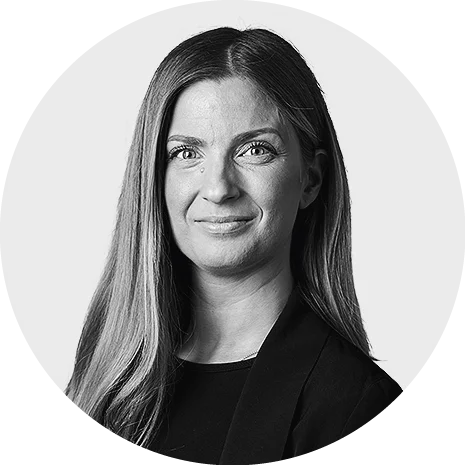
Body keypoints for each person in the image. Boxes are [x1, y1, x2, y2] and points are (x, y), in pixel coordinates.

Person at [64, 27, 407, 464]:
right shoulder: (102, 376)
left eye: (255, 150)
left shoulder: (360, 408)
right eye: (186, 153)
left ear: (311, 179)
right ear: (153, 177)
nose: (218, 188)